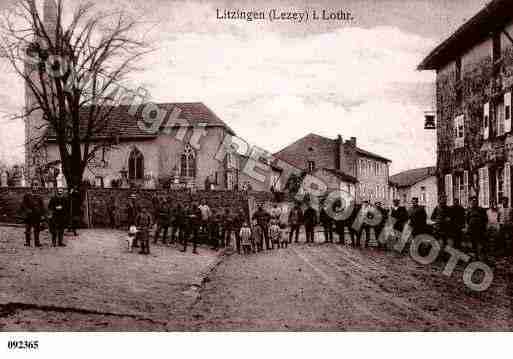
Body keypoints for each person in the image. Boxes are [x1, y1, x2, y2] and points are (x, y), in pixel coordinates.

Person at [19, 181, 45, 247]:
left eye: (36, 185)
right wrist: (27, 210)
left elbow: (42, 206)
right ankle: (27, 242)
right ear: (31, 187)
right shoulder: (27, 195)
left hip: (37, 215)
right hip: (29, 215)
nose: (35, 187)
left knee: (37, 229)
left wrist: (42, 215)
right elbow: (23, 204)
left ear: (38, 187)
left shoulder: (39, 196)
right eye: (33, 185)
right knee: (28, 229)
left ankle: (37, 242)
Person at [466, 196, 488, 260]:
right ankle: (475, 257)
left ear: (477, 202)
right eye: (472, 201)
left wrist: (484, 227)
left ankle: (482, 257)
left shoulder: (481, 210)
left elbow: (485, 219)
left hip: (480, 229)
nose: (474, 202)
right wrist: (468, 227)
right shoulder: (469, 210)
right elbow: (467, 220)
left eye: (475, 201)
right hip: (472, 229)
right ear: (471, 202)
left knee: (481, 243)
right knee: (473, 243)